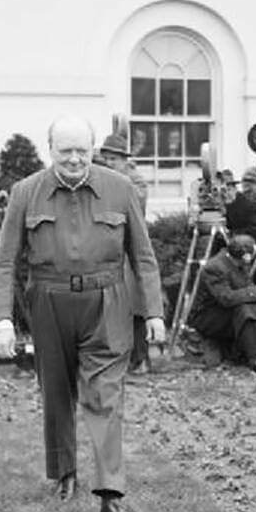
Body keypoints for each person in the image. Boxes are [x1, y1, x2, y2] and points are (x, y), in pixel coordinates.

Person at [0, 115, 165, 512]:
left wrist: (154, 311)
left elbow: (142, 255)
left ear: (93, 150)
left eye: (82, 151)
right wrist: (2, 320)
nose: (74, 159)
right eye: (65, 151)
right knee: (56, 392)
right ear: (50, 150)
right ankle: (63, 471)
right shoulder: (25, 193)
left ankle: (111, 497)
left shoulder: (120, 190)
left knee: (105, 396)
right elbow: (4, 262)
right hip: (48, 302)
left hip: (107, 303)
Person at [95, 130, 153, 373]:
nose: (109, 163)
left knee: (135, 306)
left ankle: (141, 359)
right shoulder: (101, 180)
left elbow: (134, 207)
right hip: (105, 249)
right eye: (106, 159)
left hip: (129, 249)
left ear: (125, 160)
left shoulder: (134, 181)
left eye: (114, 159)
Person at [188, 233, 256, 375]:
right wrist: (255, 290)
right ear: (246, 256)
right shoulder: (215, 268)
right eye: (253, 251)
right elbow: (226, 298)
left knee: (250, 304)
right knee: (244, 308)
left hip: (226, 312)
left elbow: (245, 290)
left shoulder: (238, 263)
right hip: (208, 318)